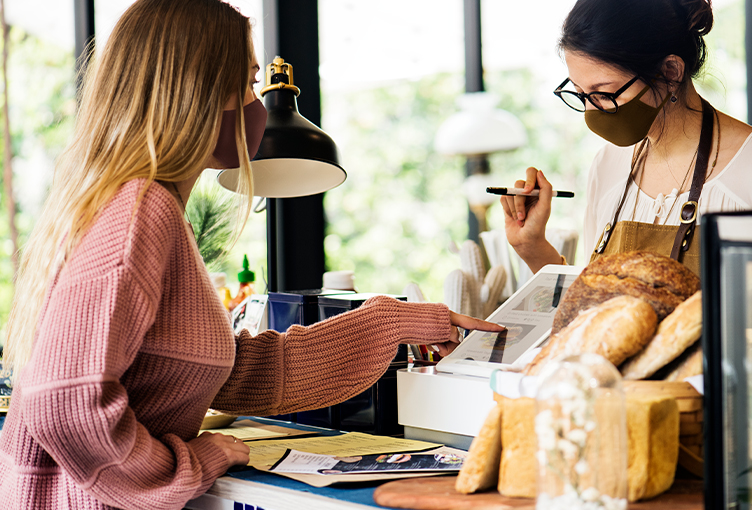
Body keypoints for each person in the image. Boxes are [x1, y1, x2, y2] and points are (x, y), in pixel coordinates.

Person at [0, 1, 502, 509]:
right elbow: (64, 401)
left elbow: (226, 371)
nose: (256, 104)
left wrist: (390, 323)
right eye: (247, 83)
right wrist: (184, 465)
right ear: (197, 91)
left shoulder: (137, 204)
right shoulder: (139, 211)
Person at [502, 0, 752, 275]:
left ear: (671, 71)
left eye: (604, 94)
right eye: (581, 94)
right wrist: (533, 248)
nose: (590, 111)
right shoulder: (608, 166)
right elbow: (593, 313)